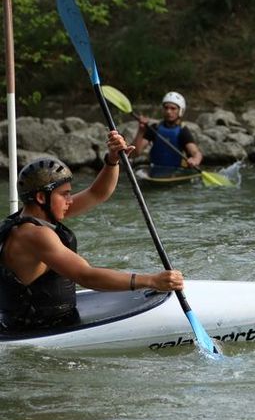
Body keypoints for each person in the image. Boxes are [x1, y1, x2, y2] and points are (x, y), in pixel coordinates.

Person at [0, 131, 184, 331]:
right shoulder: (33, 234)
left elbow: (97, 193)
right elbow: (86, 276)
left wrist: (112, 161)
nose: (70, 201)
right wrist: (151, 280)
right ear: (41, 198)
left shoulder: (35, 217)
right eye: (64, 194)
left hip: (51, 322)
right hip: (37, 331)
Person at [132, 91, 203, 178]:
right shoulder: (155, 128)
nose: (168, 111)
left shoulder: (182, 131)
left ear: (180, 111)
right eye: (166, 108)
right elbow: (135, 153)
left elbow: (196, 153)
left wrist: (195, 160)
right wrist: (141, 131)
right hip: (155, 171)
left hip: (176, 173)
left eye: (173, 108)